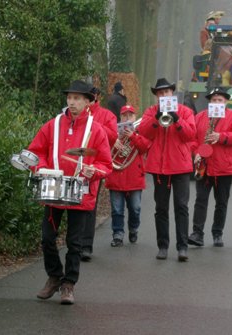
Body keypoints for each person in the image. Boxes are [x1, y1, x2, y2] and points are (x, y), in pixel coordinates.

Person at [28, 80, 113, 304]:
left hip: (81, 192)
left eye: (77, 98)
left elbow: (106, 164)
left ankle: (69, 284)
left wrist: (93, 171)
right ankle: (55, 276)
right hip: (54, 188)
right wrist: (41, 168)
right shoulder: (53, 124)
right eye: (69, 98)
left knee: (75, 243)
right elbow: (35, 152)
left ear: (88, 102)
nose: (72, 102)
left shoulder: (96, 129)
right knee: (47, 238)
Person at [137, 78, 196, 262]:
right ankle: (163, 246)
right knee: (161, 208)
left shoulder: (185, 111)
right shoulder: (150, 112)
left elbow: (190, 135)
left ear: (172, 93)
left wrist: (176, 118)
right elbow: (144, 132)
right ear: (156, 96)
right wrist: (157, 118)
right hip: (159, 167)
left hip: (180, 166)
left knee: (181, 207)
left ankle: (182, 247)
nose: (163, 95)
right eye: (160, 93)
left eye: (167, 92)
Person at [187, 87, 232, 247]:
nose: (217, 102)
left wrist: (221, 137)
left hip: (224, 167)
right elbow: (191, 138)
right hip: (203, 166)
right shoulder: (199, 117)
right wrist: (196, 152)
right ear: (210, 102)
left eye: (220, 100)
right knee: (200, 200)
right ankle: (197, 233)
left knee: (221, 202)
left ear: (226, 102)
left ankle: (217, 233)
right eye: (214, 100)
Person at [80, 86, 118, 261]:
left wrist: (94, 124)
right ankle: (75, 242)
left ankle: (86, 245)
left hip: (94, 162)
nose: (90, 98)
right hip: (76, 160)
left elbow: (112, 136)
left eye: (92, 95)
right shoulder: (77, 112)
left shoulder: (107, 115)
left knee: (90, 201)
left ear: (97, 97)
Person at [105, 105, 151, 247]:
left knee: (135, 208)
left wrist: (133, 136)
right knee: (117, 209)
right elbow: (103, 148)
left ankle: (133, 229)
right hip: (116, 176)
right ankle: (118, 234)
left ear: (135, 117)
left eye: (130, 115)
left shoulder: (141, 131)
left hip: (134, 176)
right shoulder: (114, 133)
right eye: (124, 115)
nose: (127, 118)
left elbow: (145, 147)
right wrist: (114, 141)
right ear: (120, 117)